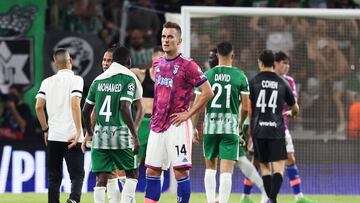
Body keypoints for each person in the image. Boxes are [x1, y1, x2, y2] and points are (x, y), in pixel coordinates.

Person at [144, 21, 214, 203]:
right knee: (152, 171)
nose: (166, 40)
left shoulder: (188, 65)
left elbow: (208, 92)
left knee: (180, 171)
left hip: (177, 125)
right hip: (157, 126)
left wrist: (188, 114)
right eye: (163, 36)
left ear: (179, 40)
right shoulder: (157, 63)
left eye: (170, 37)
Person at [82, 45, 141, 203]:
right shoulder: (128, 78)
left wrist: (89, 132)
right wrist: (134, 136)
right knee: (132, 173)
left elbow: (85, 111)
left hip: (100, 134)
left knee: (101, 179)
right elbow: (124, 107)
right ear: (128, 61)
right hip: (119, 134)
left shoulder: (97, 80)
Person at [249, 50, 299, 203]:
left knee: (264, 166)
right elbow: (295, 106)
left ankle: (269, 198)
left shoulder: (253, 81)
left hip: (258, 130)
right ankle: (273, 198)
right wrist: (293, 113)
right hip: (276, 129)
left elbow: (246, 107)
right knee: (279, 166)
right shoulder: (282, 82)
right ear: (273, 63)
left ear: (261, 63)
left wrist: (244, 128)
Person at [35, 48, 84, 203]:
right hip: (72, 136)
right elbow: (75, 104)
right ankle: (73, 200)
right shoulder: (77, 80)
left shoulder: (47, 82)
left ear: (55, 64)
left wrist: (45, 130)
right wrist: (79, 130)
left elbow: (38, 106)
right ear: (70, 61)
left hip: (54, 135)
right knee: (77, 176)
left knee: (54, 178)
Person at [131, 46, 164, 164]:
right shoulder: (141, 74)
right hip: (143, 121)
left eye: (163, 58)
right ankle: (130, 181)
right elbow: (125, 71)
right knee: (135, 159)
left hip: (158, 123)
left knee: (156, 161)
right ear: (152, 57)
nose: (160, 61)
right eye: (158, 57)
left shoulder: (167, 79)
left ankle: (155, 182)